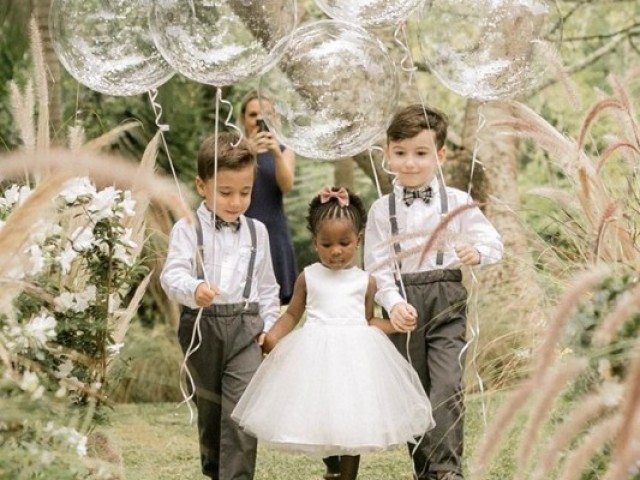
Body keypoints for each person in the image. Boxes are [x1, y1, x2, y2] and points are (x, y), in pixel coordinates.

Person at [231, 187, 435, 480]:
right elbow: (291, 314)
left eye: (344, 242)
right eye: (326, 244)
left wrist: (393, 325)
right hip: (316, 356)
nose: (336, 250)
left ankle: (348, 476)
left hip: (357, 357)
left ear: (358, 240)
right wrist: (273, 335)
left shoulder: (366, 281)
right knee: (321, 414)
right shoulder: (308, 276)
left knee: (354, 421)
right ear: (315, 243)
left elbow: (368, 319)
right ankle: (332, 465)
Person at [363, 104, 504, 480]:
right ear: (388, 153)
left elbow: (493, 241)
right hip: (406, 303)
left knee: (446, 384)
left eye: (421, 153)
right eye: (401, 153)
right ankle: (425, 469)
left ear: (439, 156)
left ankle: (446, 469)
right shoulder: (381, 210)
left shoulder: (456, 201)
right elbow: (377, 267)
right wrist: (392, 304)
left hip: (445, 298)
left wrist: (478, 252)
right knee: (415, 389)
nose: (410, 163)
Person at [160, 132, 281, 480]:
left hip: (246, 328)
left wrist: (270, 327)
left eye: (245, 192)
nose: (236, 201)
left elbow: (267, 287)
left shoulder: (258, 231)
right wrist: (194, 288)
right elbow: (172, 275)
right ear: (202, 185)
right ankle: (215, 472)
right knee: (211, 414)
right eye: (225, 192)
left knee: (242, 413)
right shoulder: (187, 228)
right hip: (202, 327)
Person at [239, 90, 298, 305]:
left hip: (274, 232)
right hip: (242, 231)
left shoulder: (285, 149)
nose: (259, 120)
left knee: (276, 302)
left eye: (266, 115)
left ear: (274, 118)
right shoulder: (235, 149)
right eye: (253, 115)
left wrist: (275, 154)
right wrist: (248, 152)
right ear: (243, 119)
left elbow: (286, 185)